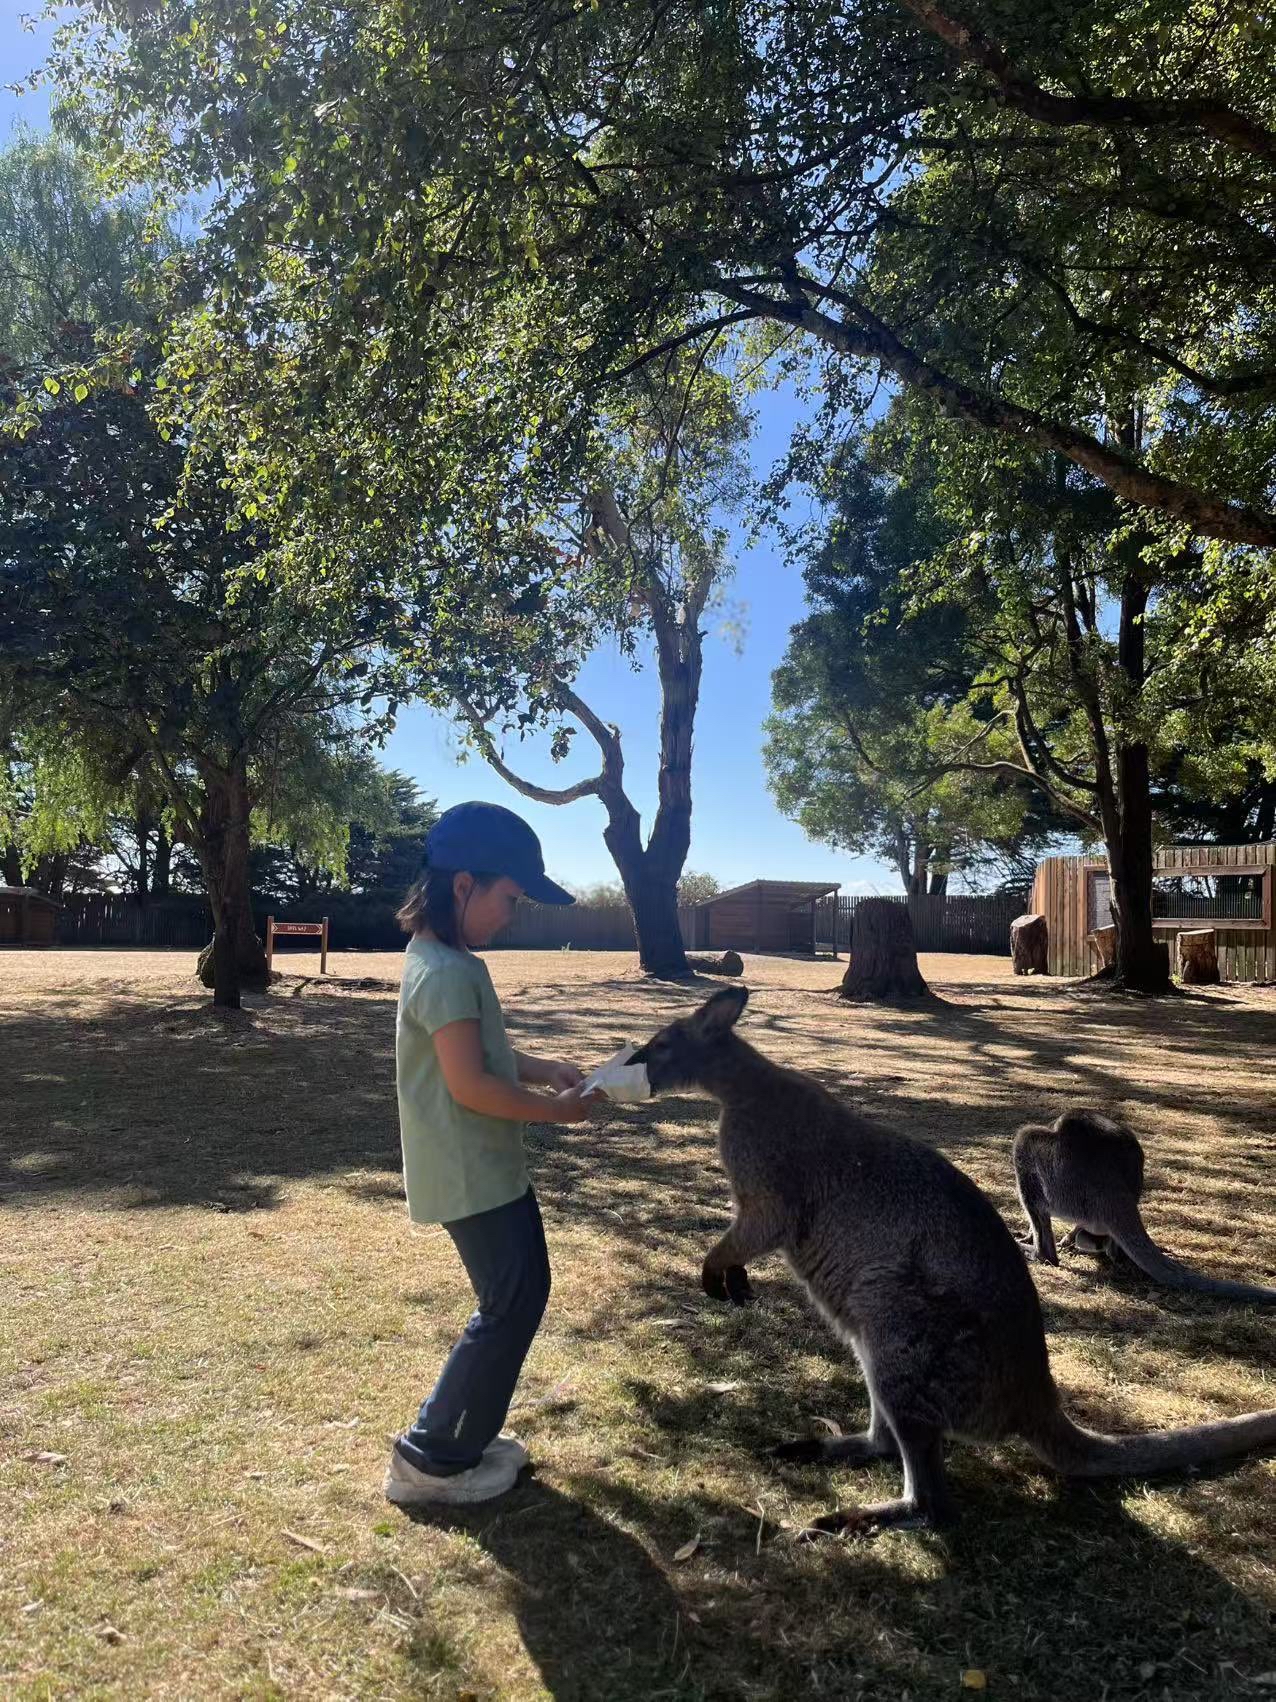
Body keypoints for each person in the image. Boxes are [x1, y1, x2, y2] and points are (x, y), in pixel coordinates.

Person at [384, 801, 595, 1508]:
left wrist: (542, 1069)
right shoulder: (444, 970)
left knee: (516, 1295)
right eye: (510, 898)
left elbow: (484, 1054)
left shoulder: (445, 959)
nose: (514, 914)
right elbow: (470, 1084)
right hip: (472, 1172)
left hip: (482, 1167)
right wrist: (557, 1112)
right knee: (511, 1300)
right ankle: (433, 1457)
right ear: (464, 885)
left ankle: (463, 1440)